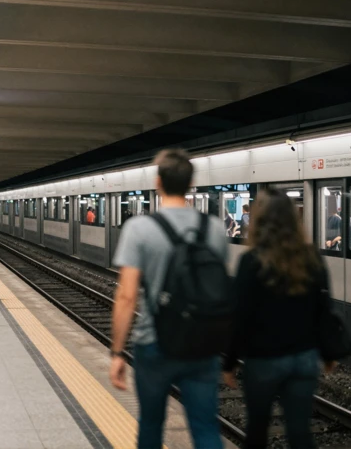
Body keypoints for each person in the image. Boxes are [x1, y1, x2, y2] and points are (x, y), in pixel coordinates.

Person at [109, 149, 227, 449]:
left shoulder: (140, 228)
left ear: (158, 182)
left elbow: (126, 296)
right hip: (203, 343)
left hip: (154, 342)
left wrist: (118, 352)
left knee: (151, 424)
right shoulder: (213, 228)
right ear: (191, 184)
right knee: (205, 427)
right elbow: (219, 288)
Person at [223, 189, 336, 448]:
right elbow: (324, 309)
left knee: (257, 430)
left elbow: (240, 315)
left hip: (263, 360)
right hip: (304, 358)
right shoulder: (311, 258)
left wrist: (229, 362)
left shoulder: (250, 261)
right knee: (300, 432)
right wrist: (328, 354)